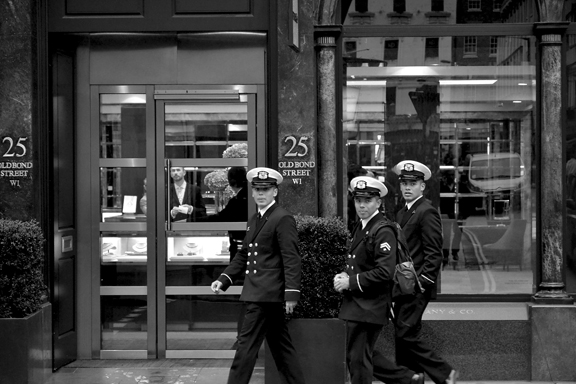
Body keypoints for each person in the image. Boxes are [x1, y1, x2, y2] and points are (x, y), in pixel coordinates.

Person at [210, 167, 306, 384]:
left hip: (265, 294)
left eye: (266, 189)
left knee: (245, 347)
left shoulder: (282, 218)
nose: (261, 193)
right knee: (283, 350)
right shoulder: (256, 218)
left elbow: (291, 258)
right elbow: (244, 253)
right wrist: (224, 279)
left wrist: (292, 293)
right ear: (252, 192)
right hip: (262, 293)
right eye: (257, 189)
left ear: (275, 191)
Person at [334, 175, 424, 384]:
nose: (362, 205)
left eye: (367, 201)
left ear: (378, 202)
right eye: (358, 200)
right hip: (359, 303)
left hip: (370, 304)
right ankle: (409, 379)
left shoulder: (382, 230)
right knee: (360, 355)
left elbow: (385, 271)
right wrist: (346, 274)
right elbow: (359, 261)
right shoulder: (362, 225)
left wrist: (351, 282)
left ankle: (409, 379)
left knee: (358, 360)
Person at [392, 160, 458, 384]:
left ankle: (444, 372)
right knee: (404, 336)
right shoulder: (403, 212)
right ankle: (412, 377)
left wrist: (422, 283)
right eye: (404, 183)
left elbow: (434, 253)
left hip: (417, 286)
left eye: (413, 183)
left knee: (405, 333)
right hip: (402, 284)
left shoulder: (426, 212)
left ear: (423, 186)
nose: (408, 187)